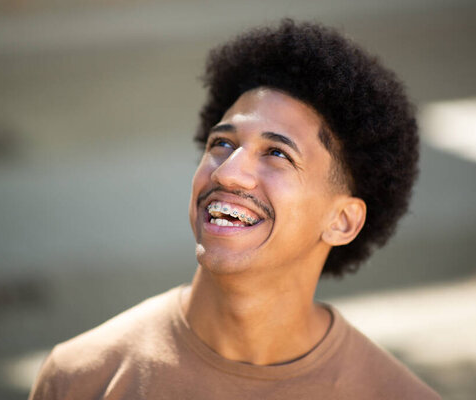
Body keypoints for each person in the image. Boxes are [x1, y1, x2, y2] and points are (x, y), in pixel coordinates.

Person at [29, 19, 440, 399]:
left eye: (277, 153)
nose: (228, 173)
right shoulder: (79, 378)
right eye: (222, 143)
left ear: (342, 221)